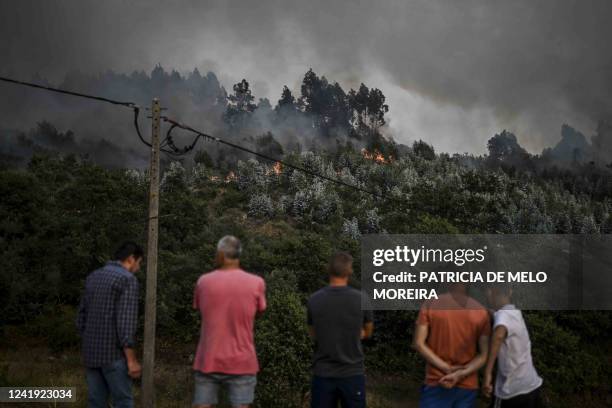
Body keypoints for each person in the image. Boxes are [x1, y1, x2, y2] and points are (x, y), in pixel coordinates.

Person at [192, 235, 266, 408]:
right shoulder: (257, 283)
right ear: (239, 255)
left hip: (209, 357)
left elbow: (199, 310)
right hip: (242, 360)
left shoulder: (204, 282)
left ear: (220, 255)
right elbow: (259, 311)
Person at [76, 241, 143, 408]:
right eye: (139, 262)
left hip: (91, 354)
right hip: (114, 355)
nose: (139, 268)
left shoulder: (94, 276)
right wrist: (131, 360)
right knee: (123, 402)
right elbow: (125, 323)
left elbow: (81, 318)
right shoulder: (127, 280)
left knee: (96, 402)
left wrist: (87, 344)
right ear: (131, 259)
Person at [307, 251, 374, 408]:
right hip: (352, 373)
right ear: (349, 271)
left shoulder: (314, 299)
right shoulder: (361, 298)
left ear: (328, 270)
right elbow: (368, 332)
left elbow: (313, 333)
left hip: (323, 374)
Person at [412, 282, 490, 408]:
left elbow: (418, 343)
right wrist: (460, 373)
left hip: (437, 379)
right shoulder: (481, 311)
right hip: (467, 384)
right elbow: (484, 354)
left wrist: (446, 368)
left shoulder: (430, 304)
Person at [482, 284, 543, 408]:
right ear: (510, 292)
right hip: (530, 384)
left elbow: (499, 335)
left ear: (490, 292)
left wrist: (487, 373)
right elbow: (497, 315)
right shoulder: (514, 312)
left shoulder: (503, 316)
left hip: (512, 390)